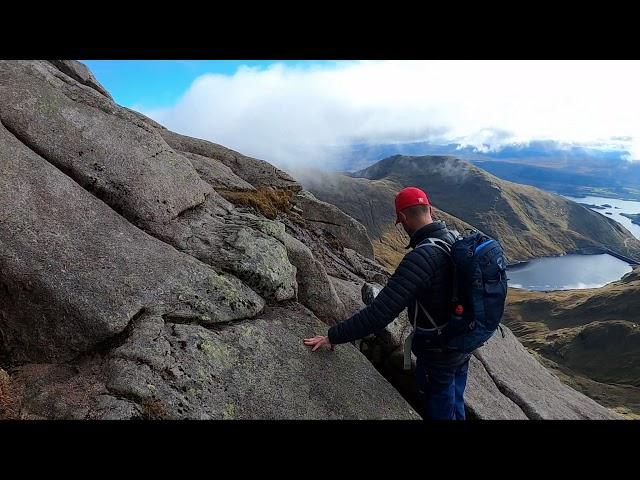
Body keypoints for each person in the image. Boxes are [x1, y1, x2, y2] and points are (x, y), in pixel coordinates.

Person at [303, 186, 471, 420]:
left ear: (402, 218)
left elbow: (379, 314)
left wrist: (333, 336)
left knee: (441, 405)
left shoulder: (421, 257)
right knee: (455, 401)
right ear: (430, 209)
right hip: (464, 341)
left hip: (437, 350)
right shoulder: (457, 240)